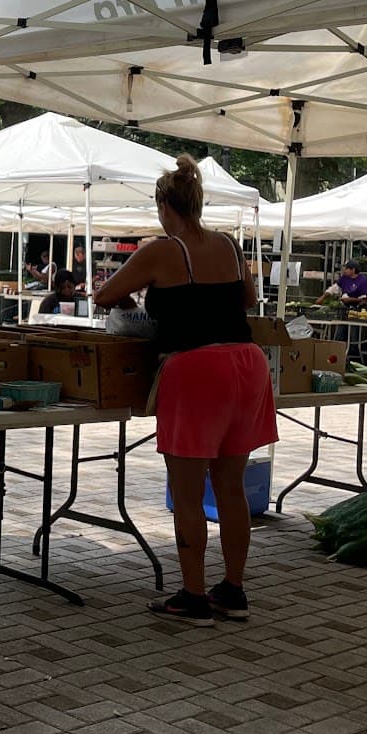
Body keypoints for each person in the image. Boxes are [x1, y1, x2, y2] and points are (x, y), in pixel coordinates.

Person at [95, 154, 277, 625]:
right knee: (231, 488)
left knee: (189, 492)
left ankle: (193, 595)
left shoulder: (161, 249)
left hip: (195, 369)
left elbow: (103, 297)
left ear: (163, 205)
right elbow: (249, 300)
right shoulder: (232, 246)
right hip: (246, 363)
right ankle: (233, 589)